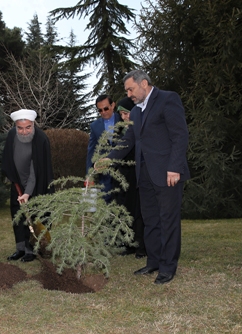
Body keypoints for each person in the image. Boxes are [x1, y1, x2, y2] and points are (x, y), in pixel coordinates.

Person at [109, 70, 190, 284]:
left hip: (167, 174)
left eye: (131, 89)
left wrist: (175, 168)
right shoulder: (135, 112)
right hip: (144, 175)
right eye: (127, 90)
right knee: (150, 220)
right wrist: (109, 159)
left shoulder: (168, 99)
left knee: (168, 220)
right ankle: (153, 261)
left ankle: (167, 267)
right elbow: (129, 141)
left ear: (144, 83)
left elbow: (180, 135)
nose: (129, 94)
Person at [2, 109, 54, 262]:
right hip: (17, 184)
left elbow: (35, 172)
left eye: (28, 127)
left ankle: (32, 250)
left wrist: (28, 193)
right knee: (18, 217)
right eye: (20, 128)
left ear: (33, 125)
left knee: (34, 217)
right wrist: (13, 180)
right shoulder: (12, 135)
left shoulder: (40, 140)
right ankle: (20, 248)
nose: (24, 132)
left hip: (37, 186)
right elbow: (7, 159)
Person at [115, 97, 146, 259]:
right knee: (126, 212)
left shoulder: (140, 130)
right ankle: (129, 244)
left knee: (139, 212)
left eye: (126, 113)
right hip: (124, 178)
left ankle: (142, 246)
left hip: (138, 176)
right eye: (121, 114)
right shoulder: (120, 131)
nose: (124, 117)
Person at [86, 95, 122, 202]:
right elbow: (91, 150)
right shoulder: (95, 126)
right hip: (104, 174)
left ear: (113, 105)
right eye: (100, 110)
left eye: (106, 108)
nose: (103, 112)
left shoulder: (123, 120)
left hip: (123, 170)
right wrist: (89, 174)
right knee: (105, 202)